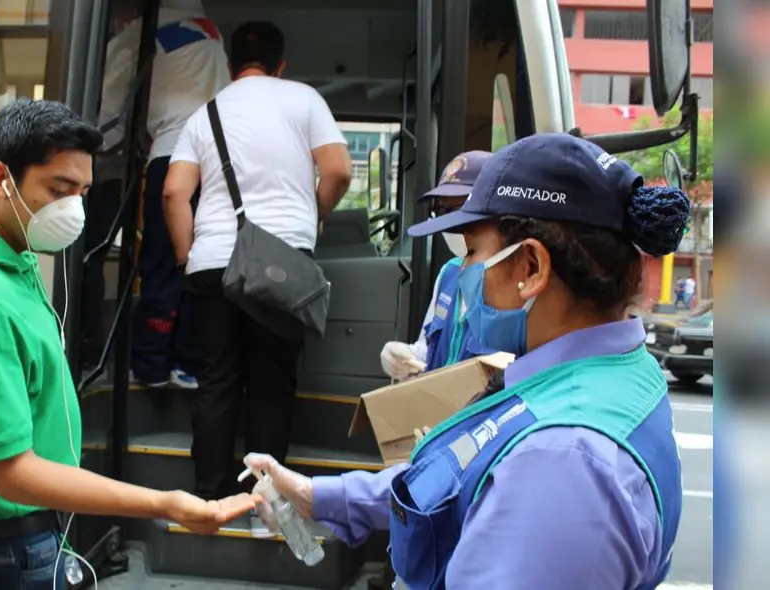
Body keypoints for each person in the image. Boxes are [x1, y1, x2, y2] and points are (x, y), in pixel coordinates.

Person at [245, 133, 690, 589]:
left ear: (531, 269)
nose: (465, 273)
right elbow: (455, 478)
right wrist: (313, 496)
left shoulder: (558, 462)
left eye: (474, 253)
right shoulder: (596, 377)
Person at [0, 99, 255, 590]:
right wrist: (164, 503)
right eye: (59, 189)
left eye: (83, 192)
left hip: (20, 535)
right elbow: (12, 474)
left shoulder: (10, 255)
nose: (73, 208)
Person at [162, 21, 352, 500]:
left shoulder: (204, 114)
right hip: (281, 259)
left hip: (211, 264)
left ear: (229, 67)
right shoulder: (305, 99)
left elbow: (174, 193)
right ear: (280, 64)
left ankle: (209, 497)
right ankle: (266, 501)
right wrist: (316, 213)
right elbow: (338, 171)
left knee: (217, 381)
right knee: (271, 383)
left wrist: (188, 257)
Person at [99, 0, 231, 389]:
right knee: (200, 262)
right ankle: (188, 362)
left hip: (173, 156)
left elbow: (108, 122)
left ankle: (152, 364)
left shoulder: (135, 37)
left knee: (160, 261)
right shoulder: (211, 30)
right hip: (217, 163)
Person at [380, 150, 496, 381]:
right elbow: (428, 354)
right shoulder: (449, 274)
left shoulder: (514, 283)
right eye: (444, 211)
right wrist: (405, 359)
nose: (452, 225)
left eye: (461, 210)